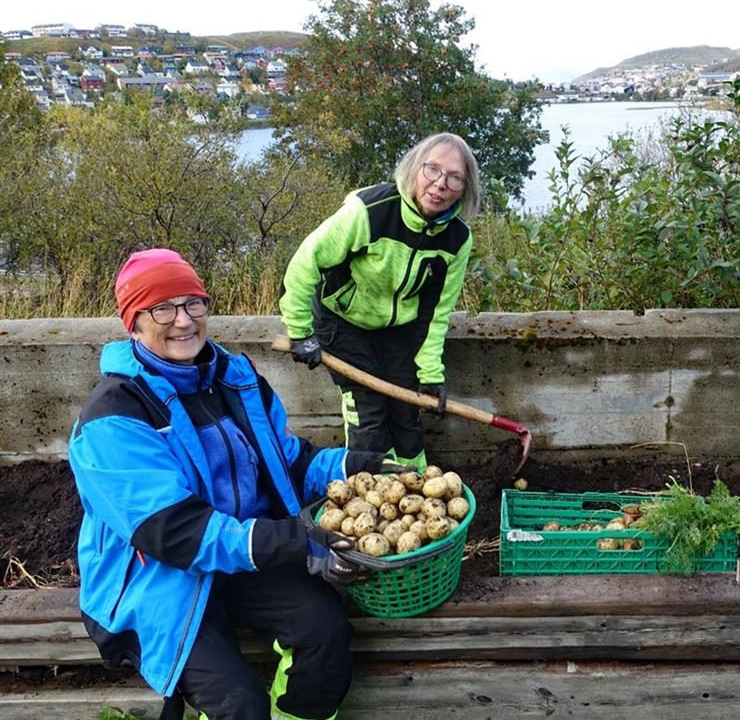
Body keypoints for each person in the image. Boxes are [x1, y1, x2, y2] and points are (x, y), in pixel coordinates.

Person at [68, 248, 395, 720]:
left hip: (244, 554)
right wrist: (293, 541)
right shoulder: (114, 414)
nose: (183, 321)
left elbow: (286, 463)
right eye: (162, 308)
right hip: (158, 578)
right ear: (133, 322)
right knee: (237, 703)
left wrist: (355, 468)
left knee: (325, 634)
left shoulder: (237, 380)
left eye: (193, 303)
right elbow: (173, 532)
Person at [279, 132, 481, 472]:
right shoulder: (369, 212)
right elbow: (305, 262)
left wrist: (430, 372)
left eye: (454, 177)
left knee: (407, 410)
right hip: (342, 320)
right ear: (415, 169)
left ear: (465, 188)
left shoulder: (457, 239)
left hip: (399, 328)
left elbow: (437, 310)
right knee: (369, 413)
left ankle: (416, 492)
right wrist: (300, 332)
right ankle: (366, 495)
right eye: (432, 170)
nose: (440, 184)